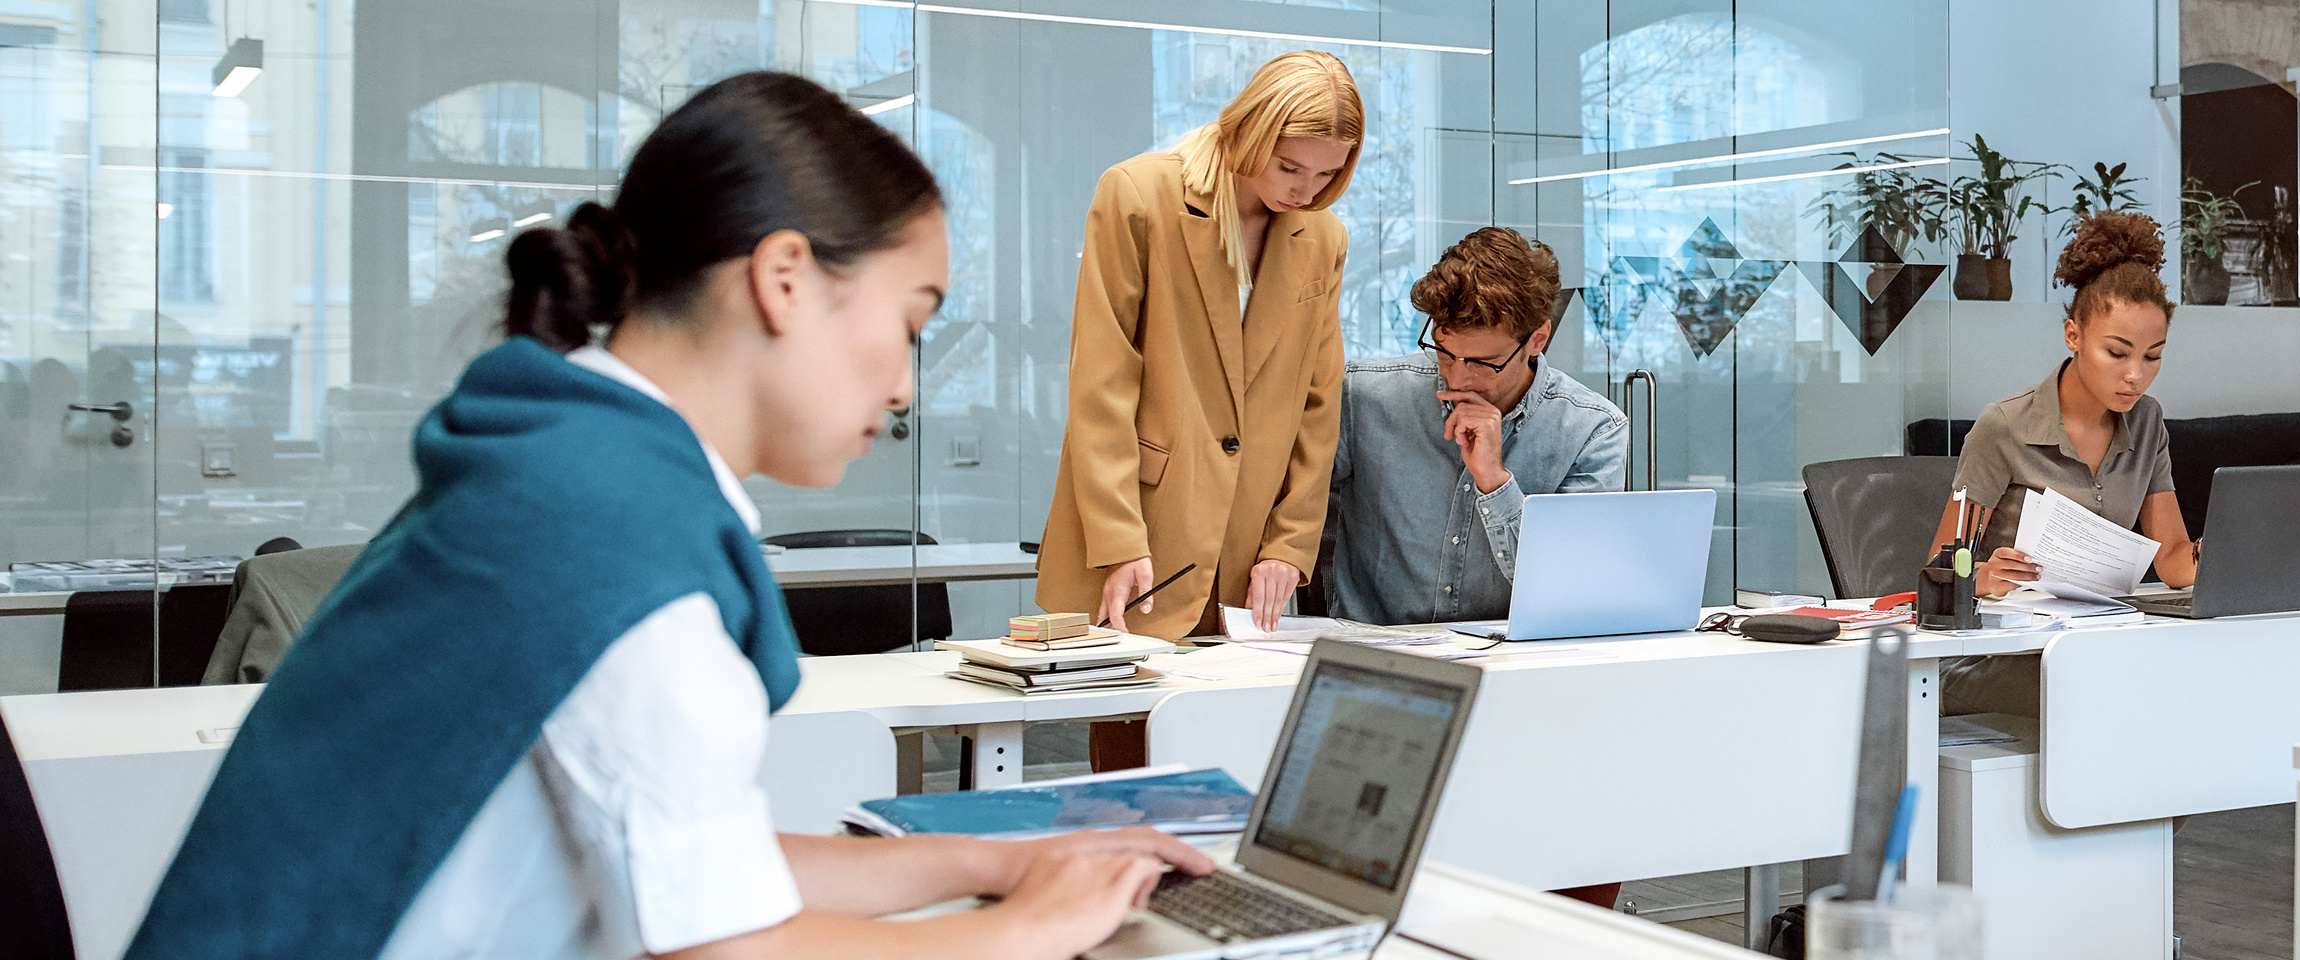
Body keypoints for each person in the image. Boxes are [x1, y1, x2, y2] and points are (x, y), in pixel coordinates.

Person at [127, 72, 1209, 960]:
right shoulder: (612, 534)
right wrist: (1028, 932)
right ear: (785, 278)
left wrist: (1002, 862)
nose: (903, 387)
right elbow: (724, 948)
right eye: (909, 323)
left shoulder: (566, 467)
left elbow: (705, 866)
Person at [1040, 50, 1363, 640]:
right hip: (1139, 538)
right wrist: (1117, 537)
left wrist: (1290, 544)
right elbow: (1101, 384)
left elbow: (1319, 404)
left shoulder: (1323, 236)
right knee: (1135, 730)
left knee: (1234, 731)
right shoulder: (1138, 195)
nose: (1307, 190)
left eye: (1327, 176)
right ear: (1250, 129)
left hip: (1246, 558)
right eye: (1290, 167)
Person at [1319, 226, 1629, 627]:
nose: (1458, 379)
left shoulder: (1593, 430)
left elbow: (1569, 585)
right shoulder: (1365, 396)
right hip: (1372, 656)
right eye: (1445, 353)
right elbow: (1286, 505)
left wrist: (1495, 481)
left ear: (1537, 339)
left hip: (1510, 664)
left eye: (1483, 362)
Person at [1944, 211, 2202, 599]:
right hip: (2010, 644)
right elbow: (1942, 569)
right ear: (2073, 336)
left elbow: (2173, 562)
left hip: (2099, 638)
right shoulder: (2004, 425)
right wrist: (1982, 575)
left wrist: (2222, 549)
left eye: (2152, 357)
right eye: (2117, 353)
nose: (2135, 375)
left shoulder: (2146, 421)